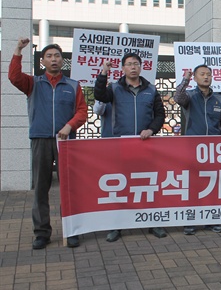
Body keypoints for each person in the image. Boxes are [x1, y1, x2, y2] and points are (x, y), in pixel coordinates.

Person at [8, 38, 87, 249]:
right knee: (41, 187)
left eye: (57, 56)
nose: (54, 59)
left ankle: (72, 230)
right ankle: (42, 233)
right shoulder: (33, 83)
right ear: (43, 61)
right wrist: (18, 50)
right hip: (41, 139)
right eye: (49, 56)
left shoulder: (72, 85)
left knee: (69, 188)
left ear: (63, 61)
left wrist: (70, 126)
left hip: (66, 142)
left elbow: (81, 112)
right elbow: (13, 77)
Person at [94, 53, 167, 241]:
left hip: (145, 145)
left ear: (141, 67)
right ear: (123, 68)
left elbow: (160, 114)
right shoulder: (115, 88)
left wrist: (151, 129)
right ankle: (117, 226)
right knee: (121, 186)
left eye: (136, 64)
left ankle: (152, 223)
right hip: (121, 144)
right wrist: (103, 73)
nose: (133, 67)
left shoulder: (151, 89)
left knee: (148, 185)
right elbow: (99, 95)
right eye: (129, 64)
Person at [174, 65, 221, 235]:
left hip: (214, 150)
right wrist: (185, 79)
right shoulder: (190, 96)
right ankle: (191, 221)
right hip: (193, 149)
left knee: (213, 185)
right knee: (194, 185)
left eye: (209, 74)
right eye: (202, 74)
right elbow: (177, 97)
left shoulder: (219, 98)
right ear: (195, 78)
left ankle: (212, 220)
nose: (206, 77)